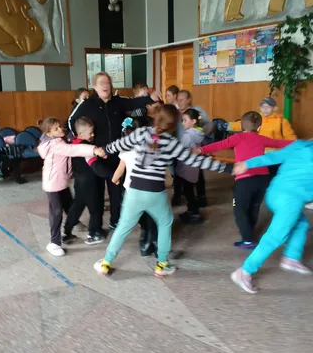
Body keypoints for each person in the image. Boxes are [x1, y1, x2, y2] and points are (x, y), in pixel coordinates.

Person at [93, 104, 232, 277]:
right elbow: (196, 161)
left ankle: (106, 262)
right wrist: (228, 168)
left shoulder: (141, 133)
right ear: (174, 124)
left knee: (123, 227)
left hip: (134, 190)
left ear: (155, 117)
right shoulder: (172, 143)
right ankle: (162, 264)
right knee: (165, 223)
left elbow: (118, 145)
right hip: (155, 193)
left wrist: (103, 150)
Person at [68, 72, 161, 231]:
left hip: (117, 155)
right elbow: (71, 121)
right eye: (101, 83)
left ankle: (115, 221)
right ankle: (96, 228)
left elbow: (134, 102)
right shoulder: (87, 104)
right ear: (95, 86)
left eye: (108, 82)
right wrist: (84, 141)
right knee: (96, 194)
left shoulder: (118, 101)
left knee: (116, 190)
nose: (105, 85)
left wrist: (149, 98)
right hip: (97, 156)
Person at [194, 111, 294, 248]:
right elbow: (280, 143)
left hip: (245, 179)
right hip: (263, 179)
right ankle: (250, 233)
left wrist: (200, 150)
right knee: (254, 206)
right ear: (259, 127)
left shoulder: (237, 138)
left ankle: (247, 239)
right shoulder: (262, 138)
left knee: (240, 209)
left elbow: (219, 145)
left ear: (241, 126)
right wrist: (303, 143)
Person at [231, 140, 313, 294]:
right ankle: (245, 271)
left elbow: (273, 156)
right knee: (276, 236)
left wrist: (247, 164)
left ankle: (291, 257)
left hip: (274, 193)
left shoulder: (301, 145)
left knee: (301, 225)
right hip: (291, 200)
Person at [37, 117, 106, 257]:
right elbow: (72, 150)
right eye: (56, 129)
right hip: (53, 184)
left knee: (70, 205)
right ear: (49, 134)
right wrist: (94, 150)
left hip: (61, 182)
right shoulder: (55, 144)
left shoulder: (58, 140)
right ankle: (54, 242)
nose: (60, 129)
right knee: (56, 213)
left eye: (59, 126)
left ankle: (71, 227)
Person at [112, 117, 157, 257]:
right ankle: (155, 243)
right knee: (154, 216)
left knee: (141, 216)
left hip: (132, 190)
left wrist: (114, 179)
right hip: (150, 188)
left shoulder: (126, 149)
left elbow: (120, 169)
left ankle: (145, 243)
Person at [64, 117, 114, 245]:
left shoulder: (73, 144)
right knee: (96, 208)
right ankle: (94, 234)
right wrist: (111, 175)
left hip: (79, 182)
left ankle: (66, 232)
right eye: (90, 133)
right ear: (81, 134)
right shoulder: (87, 147)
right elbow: (95, 165)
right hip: (91, 183)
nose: (93, 135)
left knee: (77, 206)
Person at [221, 97, 297, 177]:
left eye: (268, 107)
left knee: (273, 176)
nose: (265, 109)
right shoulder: (256, 119)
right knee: (258, 176)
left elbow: (290, 138)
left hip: (274, 157)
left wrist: (294, 149)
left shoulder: (281, 122)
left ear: (274, 108)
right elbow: (242, 124)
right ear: (259, 108)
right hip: (258, 154)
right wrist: (228, 125)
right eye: (262, 107)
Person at [177, 90, 213, 208]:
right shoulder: (177, 112)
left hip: (190, 152)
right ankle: (184, 198)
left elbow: (208, 125)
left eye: (182, 99)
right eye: (178, 99)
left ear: (189, 100)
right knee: (185, 177)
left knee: (194, 178)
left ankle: (196, 203)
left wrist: (199, 135)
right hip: (187, 153)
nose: (179, 102)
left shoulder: (197, 111)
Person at [176, 109, 206, 224]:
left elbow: (179, 147)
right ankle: (192, 210)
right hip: (194, 166)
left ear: (193, 121)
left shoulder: (188, 135)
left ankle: (194, 213)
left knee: (188, 191)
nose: (182, 123)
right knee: (190, 190)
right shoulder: (198, 133)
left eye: (185, 120)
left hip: (186, 167)